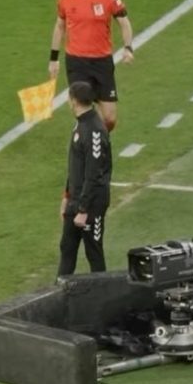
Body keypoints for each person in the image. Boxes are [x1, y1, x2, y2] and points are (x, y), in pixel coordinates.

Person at [48, 0, 133, 132]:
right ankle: (86, 139)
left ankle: (96, 136)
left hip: (102, 62)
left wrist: (128, 48)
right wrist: (54, 59)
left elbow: (124, 22)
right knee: (83, 111)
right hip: (77, 62)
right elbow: (59, 26)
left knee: (109, 118)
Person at [57, 81, 112, 277]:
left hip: (91, 204)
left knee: (93, 251)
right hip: (76, 200)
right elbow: (76, 168)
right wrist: (67, 196)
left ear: (74, 101)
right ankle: (61, 290)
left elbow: (93, 173)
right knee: (67, 247)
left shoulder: (94, 130)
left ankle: (102, 292)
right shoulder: (81, 124)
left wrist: (83, 210)